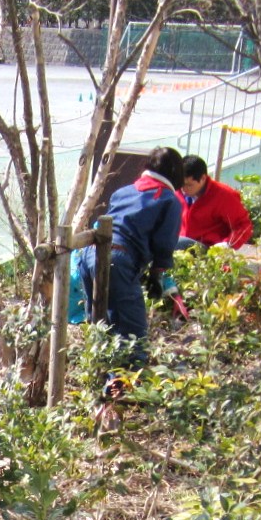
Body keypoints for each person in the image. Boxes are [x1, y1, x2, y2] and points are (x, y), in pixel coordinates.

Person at [73, 146, 185, 368]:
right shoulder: (168, 200)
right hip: (119, 258)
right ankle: (124, 388)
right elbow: (164, 243)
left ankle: (98, 373)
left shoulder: (124, 191)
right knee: (132, 331)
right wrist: (157, 275)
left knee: (98, 323)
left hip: (89, 254)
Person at [176, 155, 254, 250]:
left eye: (189, 185)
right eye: (181, 184)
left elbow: (244, 225)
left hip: (208, 247)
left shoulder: (224, 195)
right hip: (181, 240)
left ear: (203, 178)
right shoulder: (178, 190)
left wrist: (228, 244)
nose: (184, 189)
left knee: (176, 244)